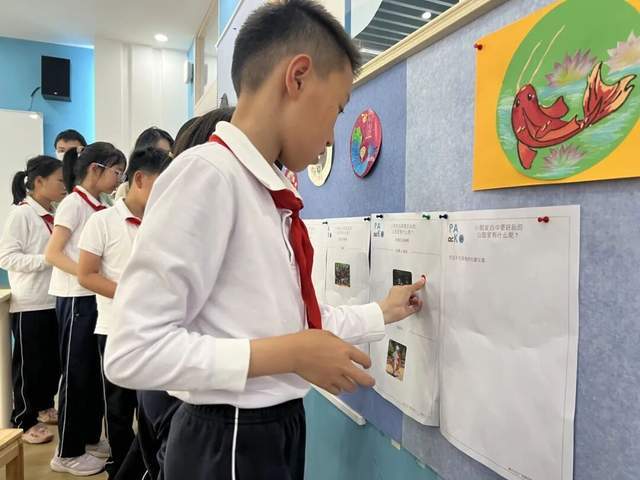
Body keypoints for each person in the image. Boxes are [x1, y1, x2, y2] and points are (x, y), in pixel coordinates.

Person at [104, 1, 425, 479]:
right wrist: (291, 354)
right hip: (229, 436)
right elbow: (132, 351)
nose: (331, 137)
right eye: (337, 110)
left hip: (271, 427)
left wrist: (383, 312)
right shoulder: (208, 174)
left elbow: (294, 322)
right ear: (297, 78)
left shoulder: (265, 192)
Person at [77, 147, 171, 478]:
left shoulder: (165, 222)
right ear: (140, 179)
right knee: (118, 410)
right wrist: (131, 294)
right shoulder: (102, 222)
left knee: (151, 410)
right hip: (115, 329)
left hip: (157, 330)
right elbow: (86, 274)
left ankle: (145, 471)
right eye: (163, 184)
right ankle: (121, 470)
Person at [45, 142, 126, 476]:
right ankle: (66, 452)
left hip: (91, 298)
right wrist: (85, 274)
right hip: (75, 297)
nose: (119, 180)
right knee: (76, 373)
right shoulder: (73, 205)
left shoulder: (100, 206)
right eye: (117, 172)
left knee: (91, 374)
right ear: (96, 169)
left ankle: (90, 438)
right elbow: (53, 253)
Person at [0, 156, 66, 444]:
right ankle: (23, 419)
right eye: (59, 180)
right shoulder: (22, 214)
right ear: (39, 182)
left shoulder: (53, 213)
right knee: (29, 366)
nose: (64, 185)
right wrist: (48, 260)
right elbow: (6, 257)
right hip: (30, 303)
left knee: (51, 363)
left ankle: (44, 407)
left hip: (53, 299)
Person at [115, 127, 175, 201]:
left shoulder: (171, 185)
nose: (163, 158)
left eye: (168, 154)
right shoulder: (125, 189)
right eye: (158, 153)